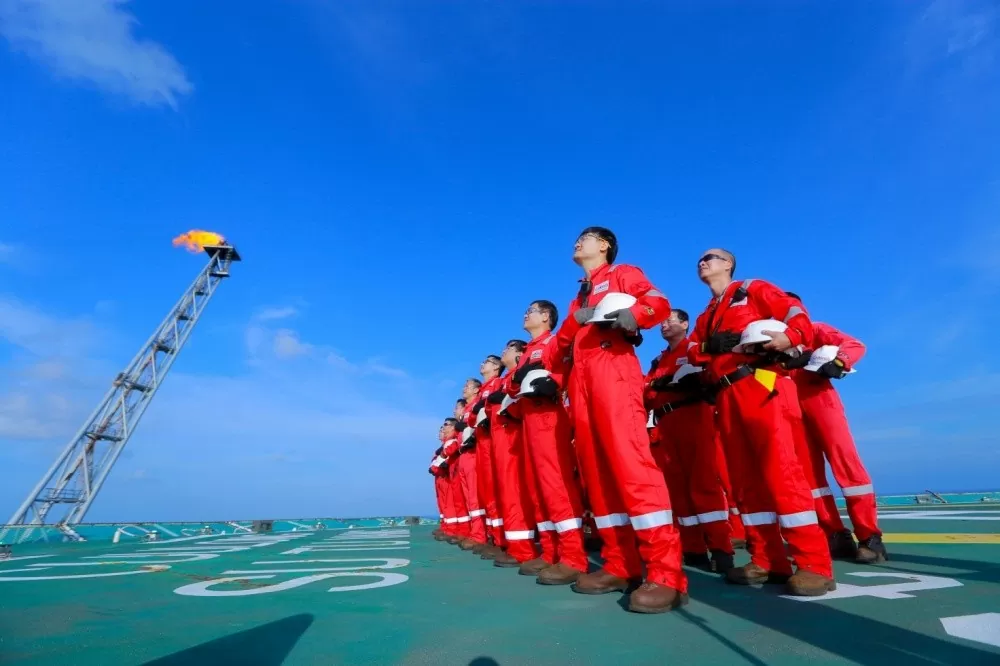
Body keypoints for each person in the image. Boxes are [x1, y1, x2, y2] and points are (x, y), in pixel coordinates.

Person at [548, 227, 687, 613]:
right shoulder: (581, 295)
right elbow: (560, 346)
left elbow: (656, 301)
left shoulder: (623, 273)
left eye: (586, 237)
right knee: (597, 473)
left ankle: (665, 573)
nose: (578, 242)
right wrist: (554, 374)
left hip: (613, 370)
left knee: (632, 467)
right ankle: (619, 564)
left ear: (604, 246)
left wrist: (632, 316)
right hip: (582, 383)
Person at [687, 248, 834, 596]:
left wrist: (789, 338)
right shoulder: (707, 314)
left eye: (712, 257)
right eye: (700, 260)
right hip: (725, 394)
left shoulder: (752, 289)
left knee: (781, 470)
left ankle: (814, 563)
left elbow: (795, 313)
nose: (703, 262)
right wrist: (712, 343)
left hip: (761, 382)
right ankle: (768, 560)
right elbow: (693, 351)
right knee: (744, 480)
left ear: (729, 264)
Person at [783, 292, 887, 564]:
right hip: (790, 408)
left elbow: (854, 345)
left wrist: (838, 362)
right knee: (809, 476)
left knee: (846, 464)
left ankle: (869, 537)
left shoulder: (816, 330)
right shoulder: (772, 341)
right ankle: (835, 534)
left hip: (820, 400)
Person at [644, 309, 734, 573]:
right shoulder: (659, 360)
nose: (665, 325)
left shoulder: (694, 347)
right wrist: (658, 385)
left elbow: (712, 370)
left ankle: (721, 548)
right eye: (662, 321)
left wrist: (694, 380)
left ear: (685, 323)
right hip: (666, 424)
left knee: (704, 483)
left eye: (671, 320)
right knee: (678, 489)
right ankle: (694, 548)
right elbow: (647, 390)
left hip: (693, 416)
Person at [509, 300, 589, 585]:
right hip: (529, 419)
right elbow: (512, 386)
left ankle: (573, 556)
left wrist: (553, 380)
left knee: (555, 484)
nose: (525, 313)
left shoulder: (554, 342)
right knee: (536, 487)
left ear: (545, 317)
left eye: (530, 310)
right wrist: (515, 380)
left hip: (548, 416)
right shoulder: (528, 351)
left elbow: (564, 368)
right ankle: (551, 550)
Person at [486, 339, 538, 568]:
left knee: (514, 491)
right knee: (502, 492)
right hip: (499, 438)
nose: (503, 351)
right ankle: (509, 542)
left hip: (512, 436)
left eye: (508, 348)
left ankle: (523, 548)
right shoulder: (507, 379)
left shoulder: (514, 375)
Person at [469, 358, 507, 557]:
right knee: (486, 492)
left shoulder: (498, 384)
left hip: (495, 439)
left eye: (488, 362)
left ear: (496, 367)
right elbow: (471, 420)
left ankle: (502, 539)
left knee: (498, 489)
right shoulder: (485, 389)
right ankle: (494, 537)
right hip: (482, 442)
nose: (482, 364)